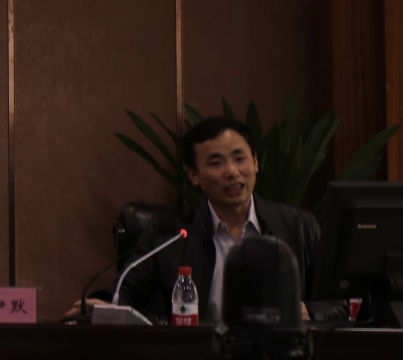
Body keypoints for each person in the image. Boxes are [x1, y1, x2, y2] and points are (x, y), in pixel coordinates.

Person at [110, 115, 345, 324]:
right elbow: (121, 293)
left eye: (240, 159)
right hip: (198, 353)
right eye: (216, 163)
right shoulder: (171, 232)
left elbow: (340, 301)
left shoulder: (299, 226)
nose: (232, 171)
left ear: (255, 162)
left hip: (278, 353)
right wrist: (100, 303)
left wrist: (308, 312)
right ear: (193, 175)